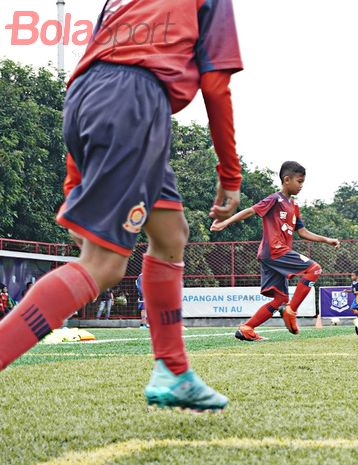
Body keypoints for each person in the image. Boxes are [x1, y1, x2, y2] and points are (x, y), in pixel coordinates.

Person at [0, 0, 245, 412]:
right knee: (104, 265)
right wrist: (231, 176)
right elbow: (216, 84)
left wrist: (74, 178)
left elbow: (90, 71)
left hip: (92, 98)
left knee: (171, 235)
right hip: (136, 102)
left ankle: (173, 370)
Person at [211, 161, 340, 341]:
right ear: (287, 180)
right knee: (314, 269)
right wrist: (225, 222)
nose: (301, 186)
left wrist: (326, 240)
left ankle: (247, 328)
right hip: (274, 250)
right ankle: (291, 311)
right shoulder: (275, 199)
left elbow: (302, 232)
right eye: (299, 181)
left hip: (272, 254)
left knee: (279, 299)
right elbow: (251, 211)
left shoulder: (294, 206)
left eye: (303, 182)